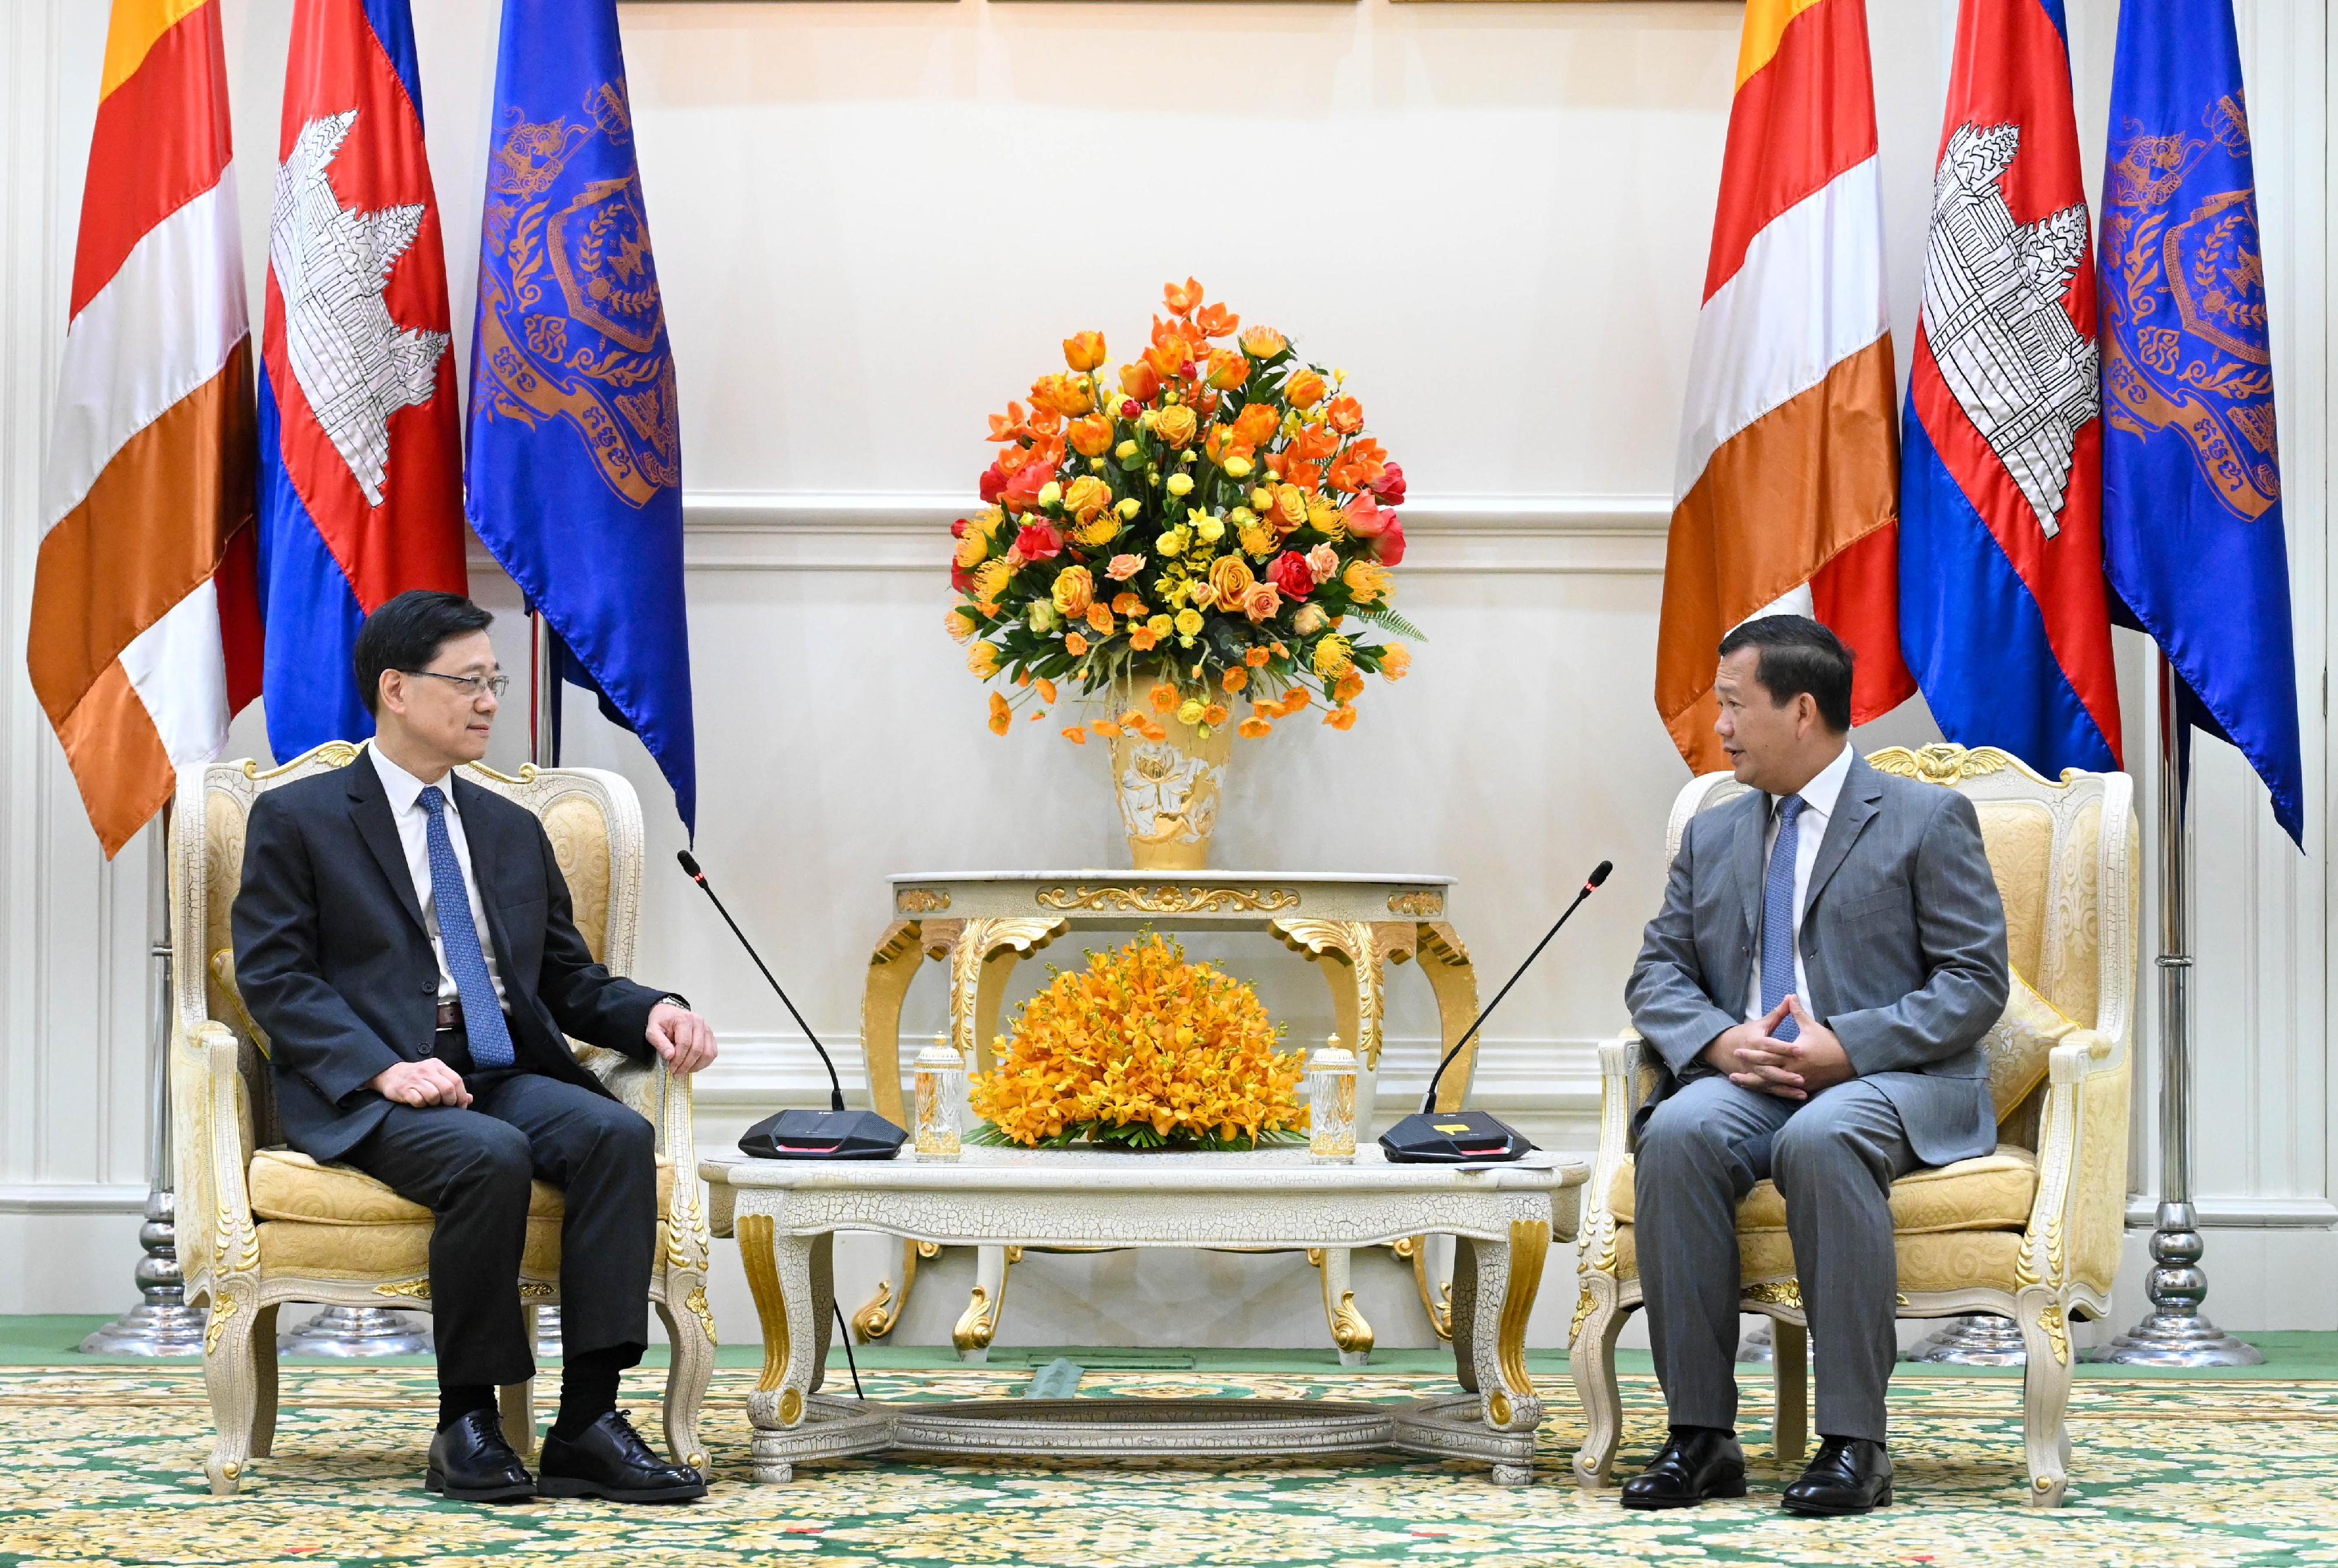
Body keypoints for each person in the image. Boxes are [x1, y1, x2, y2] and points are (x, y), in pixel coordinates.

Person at [234, 590, 718, 1504]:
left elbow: (567, 982)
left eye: (493, 681)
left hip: (498, 1066)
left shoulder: (508, 830)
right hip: (372, 1086)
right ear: (397, 690)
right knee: (486, 1157)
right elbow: (275, 979)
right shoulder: (300, 818)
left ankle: (588, 1424)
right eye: (468, 681)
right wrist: (383, 1065)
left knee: (613, 1136)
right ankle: (468, 1423)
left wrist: (652, 1011)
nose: (490, 700)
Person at [1621, 614, 2010, 1515]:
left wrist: (1852, 1045)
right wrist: (1722, 1043)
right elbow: (1658, 973)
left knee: (1824, 1136)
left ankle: (1853, 1444)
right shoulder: (1715, 832)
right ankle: (1700, 1436)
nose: (1717, 728)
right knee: (1677, 1130)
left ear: (1802, 711)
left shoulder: (1924, 818)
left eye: (1731, 705)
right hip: (1751, 1078)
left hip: (1890, 1080)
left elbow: (1974, 982)